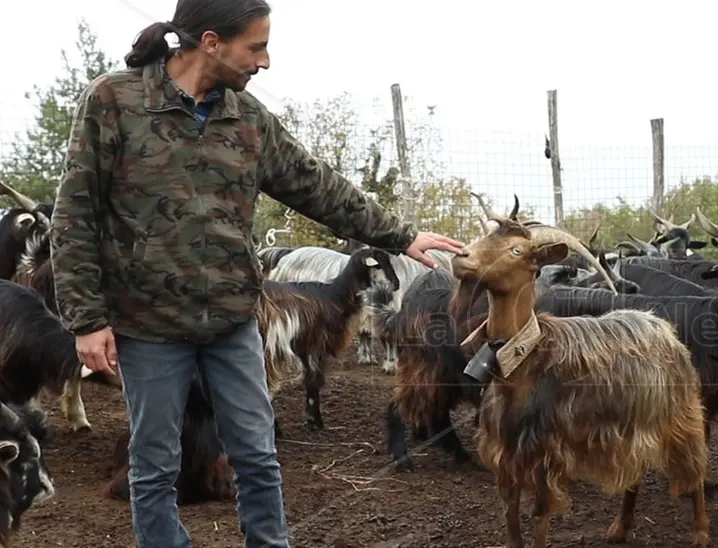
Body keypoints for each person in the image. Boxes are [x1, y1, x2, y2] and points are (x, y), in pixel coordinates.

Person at [48, 1, 464, 547]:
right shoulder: (115, 100)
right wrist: (85, 318)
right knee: (153, 465)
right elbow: (74, 213)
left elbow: (316, 184)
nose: (265, 61)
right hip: (147, 323)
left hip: (232, 320)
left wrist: (401, 235)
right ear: (213, 43)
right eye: (257, 46)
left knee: (257, 454)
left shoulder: (247, 118)